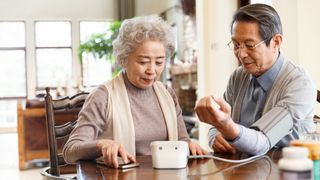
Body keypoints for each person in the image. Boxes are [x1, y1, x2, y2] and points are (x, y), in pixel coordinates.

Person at [63, 15, 206, 168]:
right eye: (143, 61)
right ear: (124, 58)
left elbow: (182, 141)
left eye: (159, 62)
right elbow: (70, 151)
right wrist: (101, 145)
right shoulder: (103, 96)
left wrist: (190, 145)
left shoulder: (167, 94)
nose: (152, 70)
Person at [195, 4, 316, 155]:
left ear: (276, 42)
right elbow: (219, 125)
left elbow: (262, 140)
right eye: (236, 45)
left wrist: (225, 125)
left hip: (285, 172)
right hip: (242, 171)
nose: (241, 54)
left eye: (250, 45)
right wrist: (216, 136)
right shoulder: (238, 76)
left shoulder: (299, 84)